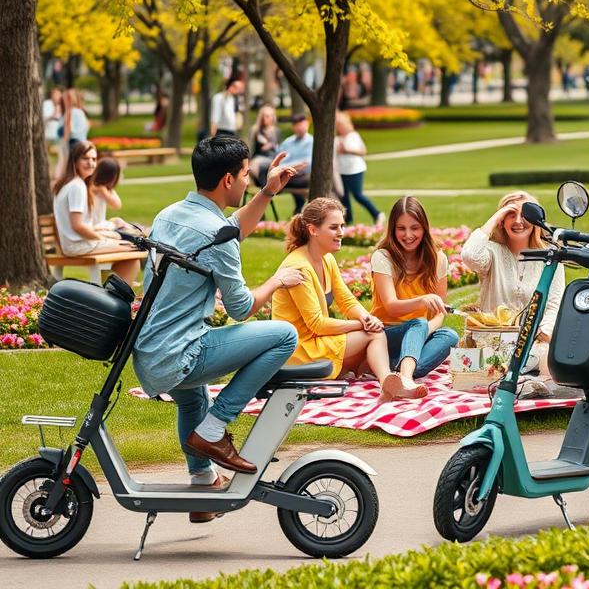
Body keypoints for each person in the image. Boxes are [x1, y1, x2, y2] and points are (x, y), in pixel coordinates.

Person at [132, 137, 306, 522]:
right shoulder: (217, 236)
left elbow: (225, 230)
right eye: (246, 175)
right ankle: (216, 428)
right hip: (180, 354)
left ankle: (201, 489)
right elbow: (242, 308)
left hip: (148, 353)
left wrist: (266, 192)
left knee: (192, 400)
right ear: (228, 179)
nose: (248, 180)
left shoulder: (169, 215)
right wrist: (277, 280)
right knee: (284, 335)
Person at [272, 198, 409, 397]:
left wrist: (364, 317)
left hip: (317, 341)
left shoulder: (326, 258)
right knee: (375, 336)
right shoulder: (299, 267)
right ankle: (386, 384)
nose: (341, 233)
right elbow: (317, 324)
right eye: (334, 227)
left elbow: (346, 300)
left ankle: (378, 379)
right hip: (299, 349)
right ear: (313, 230)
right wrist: (362, 325)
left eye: (343, 226)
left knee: (373, 341)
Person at [460, 191, 566, 374]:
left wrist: (542, 336)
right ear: (502, 221)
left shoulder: (551, 256)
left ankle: (542, 388)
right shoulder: (492, 253)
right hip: (495, 344)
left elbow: (554, 304)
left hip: (535, 345)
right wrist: (497, 216)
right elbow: (470, 256)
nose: (518, 221)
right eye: (510, 214)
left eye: (526, 215)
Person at [369, 197, 459, 396]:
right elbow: (391, 306)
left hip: (418, 332)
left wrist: (423, 332)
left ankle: (391, 370)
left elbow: (439, 312)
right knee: (418, 322)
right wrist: (420, 304)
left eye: (414, 228)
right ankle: (407, 378)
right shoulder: (383, 257)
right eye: (401, 228)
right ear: (393, 229)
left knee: (450, 336)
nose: (408, 235)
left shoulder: (437, 259)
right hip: (385, 334)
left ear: (424, 228)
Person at [52, 142, 140, 283]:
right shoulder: (77, 187)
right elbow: (77, 226)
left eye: (93, 159)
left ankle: (112, 289)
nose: (91, 163)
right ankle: (116, 295)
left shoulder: (69, 184)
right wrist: (102, 238)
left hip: (75, 243)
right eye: (85, 159)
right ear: (74, 161)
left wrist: (105, 235)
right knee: (133, 249)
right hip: (78, 246)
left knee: (125, 243)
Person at [333, 111, 384, 227]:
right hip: (342, 171)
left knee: (357, 194)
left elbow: (362, 151)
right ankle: (348, 219)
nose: (340, 128)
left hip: (355, 169)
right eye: (338, 126)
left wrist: (347, 150)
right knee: (344, 197)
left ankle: (376, 214)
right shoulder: (336, 140)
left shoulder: (353, 136)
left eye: (342, 125)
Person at [277, 112, 314, 211]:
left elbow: (307, 163)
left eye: (302, 124)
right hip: (287, 174)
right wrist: (290, 166)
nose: (300, 127)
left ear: (307, 123)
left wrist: (288, 166)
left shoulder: (311, 142)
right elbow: (279, 160)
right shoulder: (288, 142)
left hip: (303, 175)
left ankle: (300, 207)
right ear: (293, 127)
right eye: (297, 125)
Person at [89, 157, 130, 231]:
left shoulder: (106, 190)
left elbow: (117, 205)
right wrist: (99, 189)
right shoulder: (90, 187)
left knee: (120, 222)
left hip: (100, 223)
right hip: (92, 227)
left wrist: (104, 192)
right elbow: (91, 187)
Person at [247, 105, 281, 187]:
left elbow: (278, 147)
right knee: (254, 163)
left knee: (255, 164)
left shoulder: (276, 131)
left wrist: (269, 145)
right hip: (257, 156)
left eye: (270, 116)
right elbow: (251, 147)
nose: (268, 118)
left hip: (271, 158)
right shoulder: (255, 130)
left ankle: (250, 180)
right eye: (266, 116)